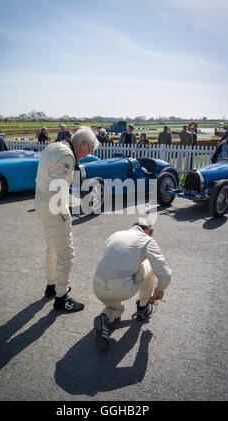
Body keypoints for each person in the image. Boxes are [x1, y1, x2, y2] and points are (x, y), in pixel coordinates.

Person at [35, 127, 100, 312]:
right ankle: (61, 298)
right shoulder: (66, 156)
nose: (87, 155)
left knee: (52, 248)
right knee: (67, 254)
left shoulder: (53, 146)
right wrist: (66, 211)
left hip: (41, 203)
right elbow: (57, 187)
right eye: (89, 151)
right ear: (83, 144)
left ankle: (52, 286)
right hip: (54, 208)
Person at [93, 218, 172, 349]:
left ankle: (104, 319)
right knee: (152, 266)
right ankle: (143, 308)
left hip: (98, 286)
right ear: (147, 229)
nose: (150, 235)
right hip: (121, 288)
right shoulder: (146, 239)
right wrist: (160, 289)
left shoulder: (116, 235)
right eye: (151, 232)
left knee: (116, 309)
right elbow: (165, 273)